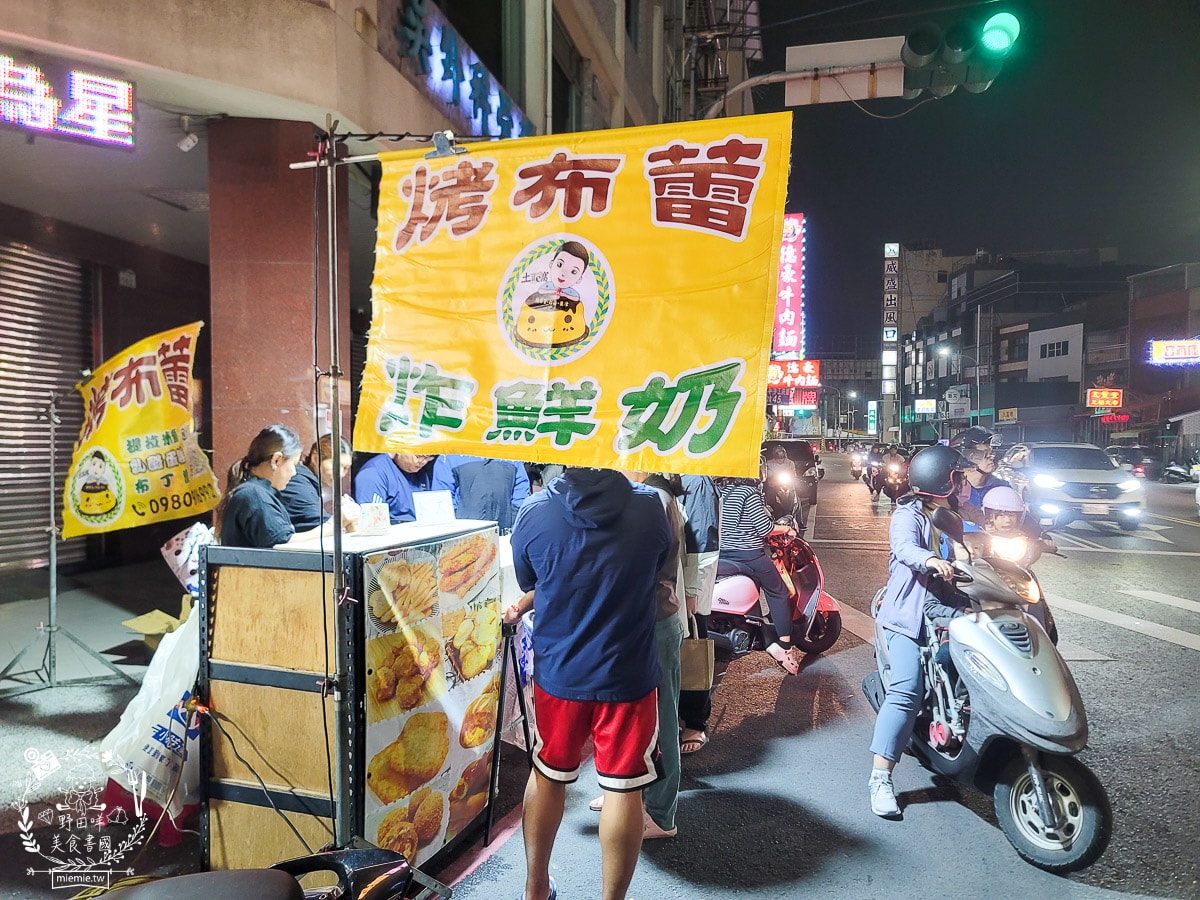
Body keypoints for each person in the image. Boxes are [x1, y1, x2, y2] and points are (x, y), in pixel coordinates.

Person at [510, 467, 674, 900]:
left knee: (548, 774)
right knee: (624, 787)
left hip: (559, 673)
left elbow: (531, 580)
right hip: (628, 674)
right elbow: (658, 566)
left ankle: (535, 888)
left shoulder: (533, 511)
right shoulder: (649, 507)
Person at [867, 444, 970, 818]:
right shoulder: (908, 514)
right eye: (959, 478)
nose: (964, 484)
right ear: (942, 480)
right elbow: (905, 548)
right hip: (909, 616)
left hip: (953, 607)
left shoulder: (952, 516)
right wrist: (929, 559)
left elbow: (982, 539)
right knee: (907, 689)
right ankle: (880, 778)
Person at [618, 471, 686, 840]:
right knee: (640, 717)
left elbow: (641, 561)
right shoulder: (648, 494)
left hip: (654, 619)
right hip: (648, 618)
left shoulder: (653, 497)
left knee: (662, 717)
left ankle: (662, 814)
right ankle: (635, 794)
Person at [215, 424, 356, 548]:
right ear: (277, 460)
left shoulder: (257, 492)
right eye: (293, 465)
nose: (295, 472)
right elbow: (283, 543)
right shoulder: (254, 495)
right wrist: (334, 524)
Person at [715, 477, 800, 675]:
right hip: (748, 555)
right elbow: (765, 528)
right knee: (778, 591)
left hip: (723, 553)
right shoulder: (749, 493)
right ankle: (785, 646)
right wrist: (786, 528)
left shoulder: (722, 490)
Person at [679, 473, 720, 755]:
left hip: (688, 584)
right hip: (675, 583)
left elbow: (700, 540)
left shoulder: (695, 480)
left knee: (693, 650)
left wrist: (692, 591)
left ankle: (695, 721)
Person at [279, 434, 358, 531]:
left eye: (345, 468)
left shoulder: (311, 483)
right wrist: (346, 519)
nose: (341, 474)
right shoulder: (297, 482)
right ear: (316, 459)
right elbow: (319, 526)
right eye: (336, 465)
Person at [432, 454, 529, 531]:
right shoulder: (449, 457)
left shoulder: (511, 456)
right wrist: (457, 524)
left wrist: (513, 519)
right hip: (463, 535)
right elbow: (441, 498)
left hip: (503, 531)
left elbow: (521, 490)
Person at [353, 452, 434, 524]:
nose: (423, 462)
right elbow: (373, 523)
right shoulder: (373, 473)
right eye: (418, 456)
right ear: (399, 448)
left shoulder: (420, 474)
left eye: (428, 457)